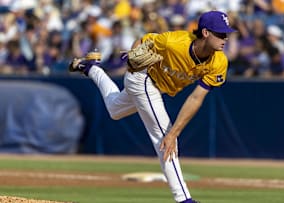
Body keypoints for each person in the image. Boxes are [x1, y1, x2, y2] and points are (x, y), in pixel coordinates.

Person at [69, 10, 235, 203]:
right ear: (206, 33)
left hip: (158, 87)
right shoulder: (174, 42)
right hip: (143, 77)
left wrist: (176, 132)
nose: (226, 38)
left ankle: (91, 68)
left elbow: (196, 98)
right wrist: (132, 56)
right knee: (164, 137)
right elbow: (142, 41)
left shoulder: (219, 62)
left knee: (115, 110)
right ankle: (184, 199)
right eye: (221, 34)